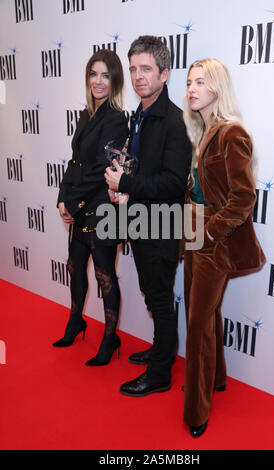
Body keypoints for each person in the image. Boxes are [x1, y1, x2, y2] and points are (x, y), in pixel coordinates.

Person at [182, 58, 266, 437]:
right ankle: (213, 379)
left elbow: (244, 197)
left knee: (199, 322)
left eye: (200, 82)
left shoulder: (232, 134)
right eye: (189, 83)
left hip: (213, 240)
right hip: (193, 233)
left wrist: (213, 231)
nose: (191, 89)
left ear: (217, 87)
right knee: (205, 313)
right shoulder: (202, 132)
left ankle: (196, 412)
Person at [105, 36, 192, 396]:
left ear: (164, 74)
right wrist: (124, 186)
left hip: (162, 224)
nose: (139, 76)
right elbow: (143, 169)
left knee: (159, 296)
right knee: (151, 290)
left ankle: (160, 374)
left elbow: (173, 183)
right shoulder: (139, 114)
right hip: (140, 220)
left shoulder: (174, 121)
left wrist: (126, 180)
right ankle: (161, 352)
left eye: (147, 69)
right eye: (134, 69)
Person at [52, 50, 128, 367]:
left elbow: (100, 170)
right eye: (93, 74)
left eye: (105, 75)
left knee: (104, 275)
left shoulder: (116, 119)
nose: (98, 81)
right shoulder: (87, 115)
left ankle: (110, 338)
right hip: (82, 204)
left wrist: (73, 201)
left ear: (115, 80)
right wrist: (62, 197)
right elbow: (76, 162)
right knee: (74, 266)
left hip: (103, 209)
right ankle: (76, 321)